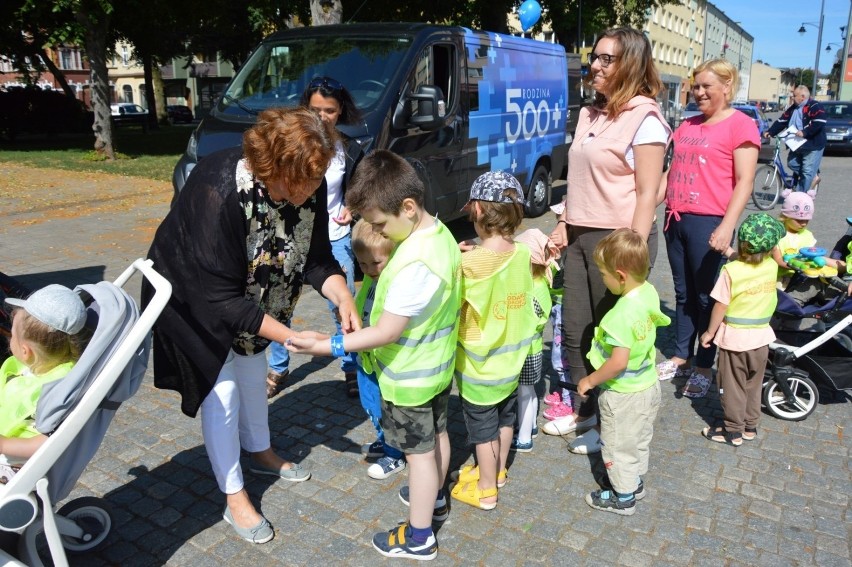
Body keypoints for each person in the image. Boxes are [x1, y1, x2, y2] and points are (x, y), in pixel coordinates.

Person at [141, 107, 358, 545]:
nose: (312, 192)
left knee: (253, 366)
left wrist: (343, 295)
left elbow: (316, 258)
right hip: (190, 297)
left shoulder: (305, 182)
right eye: (303, 183)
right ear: (272, 166)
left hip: (252, 295)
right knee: (221, 393)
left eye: (317, 182)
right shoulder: (218, 188)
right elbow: (218, 299)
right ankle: (233, 494)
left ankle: (259, 451)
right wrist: (293, 338)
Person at [286, 150, 461, 561]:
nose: (379, 231)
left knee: (418, 457)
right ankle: (433, 499)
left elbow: (386, 332)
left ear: (408, 207)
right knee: (438, 438)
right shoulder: (441, 237)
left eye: (381, 223)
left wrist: (327, 345)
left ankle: (420, 536)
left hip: (409, 377)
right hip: (436, 369)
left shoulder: (413, 261)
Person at [547, 27, 670, 445]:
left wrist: (631, 257)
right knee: (576, 328)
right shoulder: (589, 113)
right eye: (594, 57)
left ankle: (609, 422)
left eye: (606, 59)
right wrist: (565, 221)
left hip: (617, 242)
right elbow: (578, 179)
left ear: (630, 65)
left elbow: (648, 192)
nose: (594, 65)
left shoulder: (646, 118)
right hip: (580, 235)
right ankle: (586, 411)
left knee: (609, 334)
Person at [659, 59, 760, 399]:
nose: (699, 92)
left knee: (707, 298)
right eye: (696, 86)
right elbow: (670, 172)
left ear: (727, 87)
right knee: (683, 294)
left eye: (707, 86)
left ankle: (704, 365)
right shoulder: (686, 126)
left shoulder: (741, 126)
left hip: (709, 222)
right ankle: (681, 355)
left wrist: (727, 226)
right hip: (675, 218)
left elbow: (745, 182)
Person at [266, 76, 364, 399]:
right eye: (315, 109)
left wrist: (352, 206)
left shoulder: (348, 150)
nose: (322, 116)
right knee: (280, 303)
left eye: (330, 110)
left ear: (340, 112)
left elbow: (358, 187)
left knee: (343, 301)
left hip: (333, 235)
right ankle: (278, 366)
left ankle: (351, 364)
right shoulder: (293, 144)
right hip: (292, 236)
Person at [450, 171, 535, 512]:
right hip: (511, 363)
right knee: (505, 420)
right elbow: (499, 263)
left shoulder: (467, 264)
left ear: (479, 213)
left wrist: (461, 258)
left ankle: (486, 490)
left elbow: (456, 301)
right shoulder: (523, 254)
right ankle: (498, 472)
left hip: (479, 367)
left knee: (482, 431)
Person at [577, 229, 669, 516]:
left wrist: (590, 379)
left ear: (620, 275)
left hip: (623, 394)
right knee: (638, 438)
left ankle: (623, 496)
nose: (602, 280)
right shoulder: (649, 292)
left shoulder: (619, 316)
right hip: (647, 385)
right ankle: (635, 481)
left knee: (617, 445)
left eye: (603, 274)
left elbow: (618, 362)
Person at [699, 214, 785, 446]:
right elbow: (750, 259)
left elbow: (720, 305)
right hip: (761, 339)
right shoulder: (770, 266)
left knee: (732, 386)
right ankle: (750, 426)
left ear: (743, 245)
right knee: (753, 384)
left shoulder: (731, 272)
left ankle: (733, 431)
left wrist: (709, 332)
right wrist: (728, 252)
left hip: (735, 341)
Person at [1, 285, 91, 484]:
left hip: (15, 465)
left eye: (12, 337)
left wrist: (3, 444)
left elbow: (46, 443)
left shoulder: (58, 390)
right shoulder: (30, 369)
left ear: (25, 351)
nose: (9, 341)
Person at [349, 219, 407, 480]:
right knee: (371, 404)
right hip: (366, 356)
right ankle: (386, 441)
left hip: (384, 360)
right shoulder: (372, 281)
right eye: (362, 264)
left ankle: (395, 455)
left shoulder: (397, 283)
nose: (369, 270)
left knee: (387, 409)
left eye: (375, 263)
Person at [511, 228, 559, 453]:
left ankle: (523, 438)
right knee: (529, 392)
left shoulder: (530, 288)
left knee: (523, 393)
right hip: (535, 348)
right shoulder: (542, 284)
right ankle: (529, 427)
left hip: (525, 349)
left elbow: (528, 319)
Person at [765, 85, 826, 198]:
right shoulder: (793, 108)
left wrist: (805, 132)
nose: (792, 97)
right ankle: (813, 177)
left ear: (802, 97)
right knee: (792, 163)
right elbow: (782, 120)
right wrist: (770, 132)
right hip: (797, 144)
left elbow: (819, 122)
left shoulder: (815, 106)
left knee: (807, 170)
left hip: (812, 145)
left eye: (794, 95)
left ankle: (799, 197)